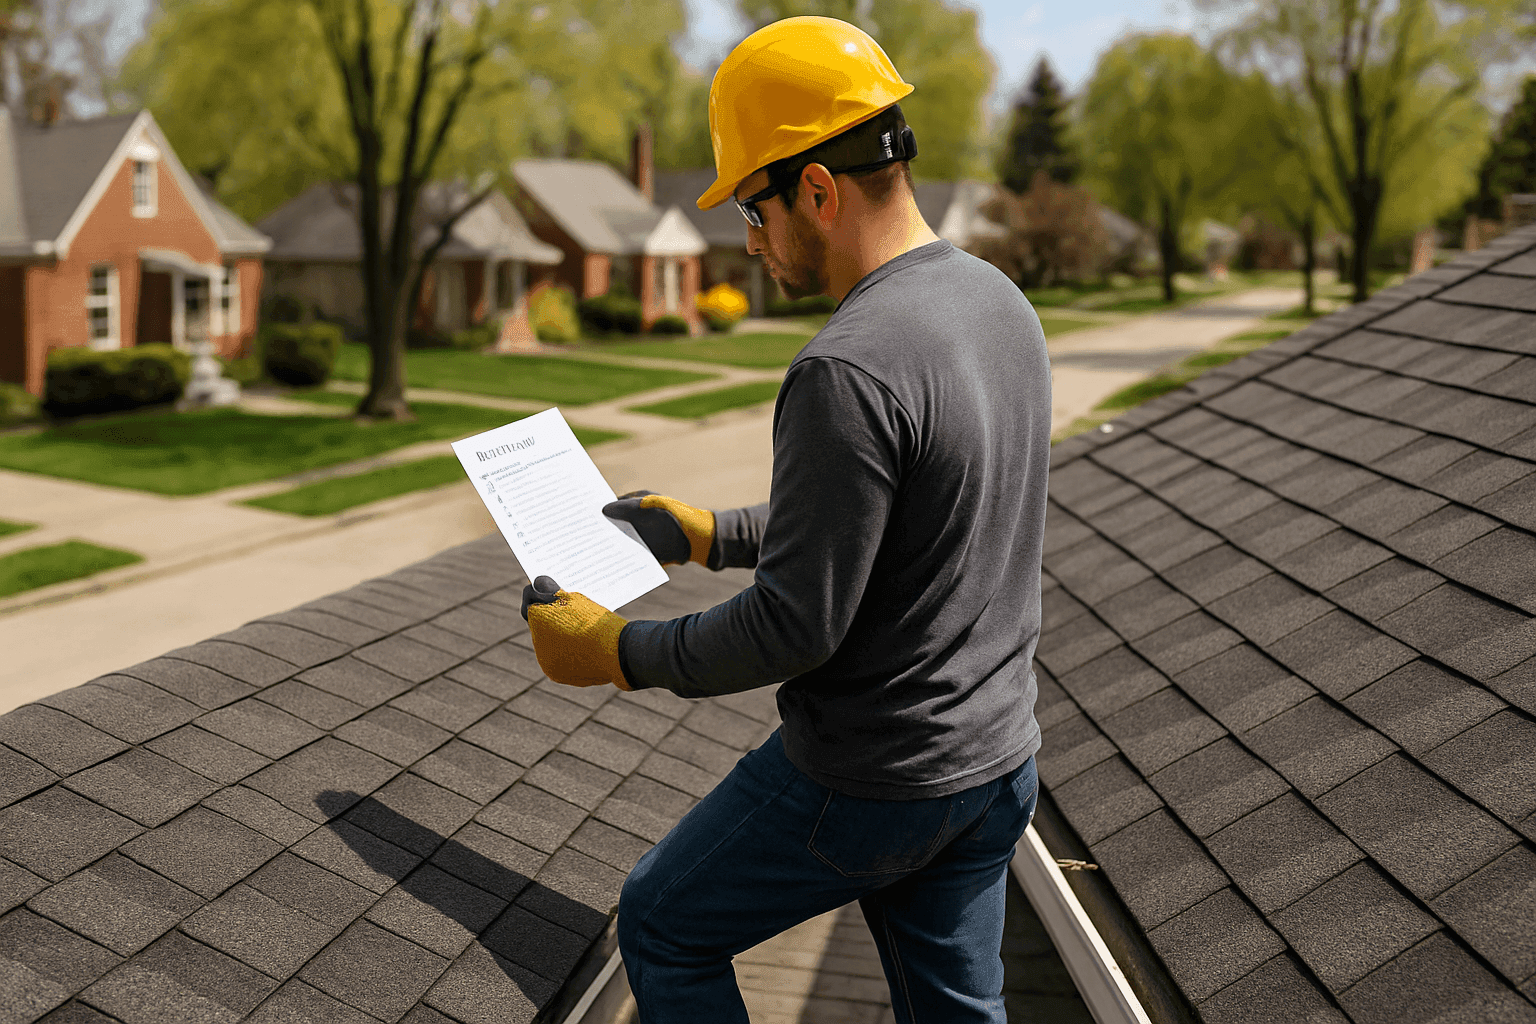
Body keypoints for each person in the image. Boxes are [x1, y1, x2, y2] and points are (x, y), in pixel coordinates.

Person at [520, 15, 1051, 1023]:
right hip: (996, 766)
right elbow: (904, 511)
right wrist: (714, 532)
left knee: (663, 921)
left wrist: (615, 650)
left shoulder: (842, 368)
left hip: (872, 780)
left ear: (817, 187)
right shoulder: (999, 305)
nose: (749, 241)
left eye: (754, 211)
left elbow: (793, 626)